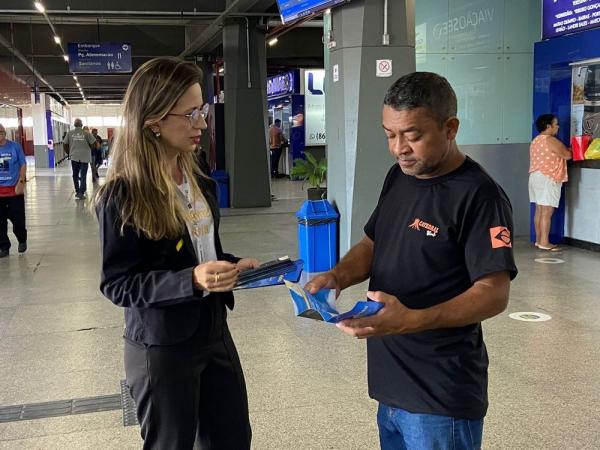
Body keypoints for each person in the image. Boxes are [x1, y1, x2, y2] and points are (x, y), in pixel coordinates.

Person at [306, 72, 518, 450]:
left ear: (449, 127)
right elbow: (373, 243)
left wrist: (413, 319)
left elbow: (493, 292)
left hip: (440, 394)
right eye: (390, 134)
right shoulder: (399, 176)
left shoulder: (481, 196)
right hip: (390, 381)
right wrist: (337, 276)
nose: (398, 148)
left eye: (413, 135)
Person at [93, 56, 257, 450]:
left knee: (232, 438)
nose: (202, 123)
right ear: (153, 121)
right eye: (190, 114)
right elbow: (117, 284)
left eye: (202, 110)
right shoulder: (124, 194)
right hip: (162, 345)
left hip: (213, 330)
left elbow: (200, 251)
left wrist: (231, 266)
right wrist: (192, 280)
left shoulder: (198, 175)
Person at [529, 114, 572, 251]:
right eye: (555, 124)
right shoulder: (550, 140)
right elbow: (567, 155)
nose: (558, 126)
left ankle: (538, 240)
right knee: (547, 211)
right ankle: (545, 242)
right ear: (548, 127)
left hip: (536, 176)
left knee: (540, 210)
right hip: (548, 177)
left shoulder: (536, 140)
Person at [0, 123, 27, 257]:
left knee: (19, 222)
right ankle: (4, 247)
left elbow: (23, 165)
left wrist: (21, 182)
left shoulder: (15, 147)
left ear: (4, 133)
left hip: (14, 191)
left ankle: (22, 239)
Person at [64, 119, 96, 199]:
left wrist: (69, 152)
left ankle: (77, 191)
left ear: (74, 125)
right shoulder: (87, 133)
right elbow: (93, 144)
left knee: (75, 174)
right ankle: (81, 192)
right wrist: (88, 149)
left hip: (74, 157)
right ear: (81, 125)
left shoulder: (70, 133)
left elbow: (65, 144)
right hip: (85, 157)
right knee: (83, 174)